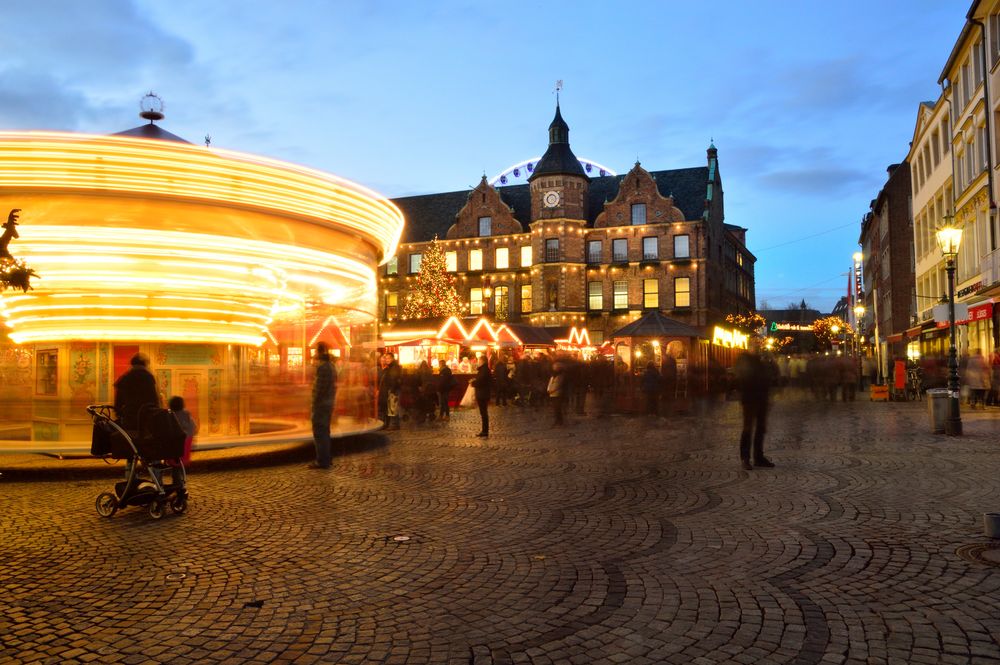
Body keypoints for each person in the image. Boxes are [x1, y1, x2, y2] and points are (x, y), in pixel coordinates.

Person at [733, 349, 777, 471]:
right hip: (749, 398)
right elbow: (744, 377)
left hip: (762, 397)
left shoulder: (761, 359)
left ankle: (759, 457)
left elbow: (773, 374)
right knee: (748, 428)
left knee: (761, 428)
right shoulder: (744, 359)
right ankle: (745, 458)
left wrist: (771, 361)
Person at [308, 342, 337, 469]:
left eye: (315, 350)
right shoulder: (331, 365)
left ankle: (322, 460)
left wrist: (313, 403)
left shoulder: (323, 367)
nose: (314, 353)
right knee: (325, 431)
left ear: (318, 352)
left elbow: (319, 389)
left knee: (320, 432)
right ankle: (327, 458)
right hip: (328, 403)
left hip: (321, 405)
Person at [114, 352, 160, 430]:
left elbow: (118, 401)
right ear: (145, 365)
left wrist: (119, 413)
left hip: (129, 417)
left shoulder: (125, 377)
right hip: (146, 417)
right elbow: (154, 400)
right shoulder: (148, 377)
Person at [167, 395, 197, 493]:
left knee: (175, 469)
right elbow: (193, 427)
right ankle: (180, 485)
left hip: (173, 447)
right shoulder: (187, 415)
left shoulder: (170, 415)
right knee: (179, 468)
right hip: (185, 447)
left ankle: (178, 487)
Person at [379, 353, 402, 430]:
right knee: (390, 407)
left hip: (393, 391)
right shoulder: (390, 367)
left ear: (392, 358)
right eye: (386, 358)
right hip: (390, 390)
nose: (387, 360)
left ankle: (394, 425)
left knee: (393, 407)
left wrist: (392, 389)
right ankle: (389, 424)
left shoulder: (394, 367)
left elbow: (394, 379)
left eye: (388, 358)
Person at [472, 355, 492, 437]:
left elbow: (481, 381)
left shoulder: (484, 370)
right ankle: (484, 431)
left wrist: (473, 383)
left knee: (483, 413)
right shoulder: (484, 370)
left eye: (479, 361)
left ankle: (485, 431)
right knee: (483, 413)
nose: (478, 362)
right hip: (483, 393)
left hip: (483, 394)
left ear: (482, 361)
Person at [548, 361, 566, 425]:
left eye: (554, 366)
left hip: (557, 393)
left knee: (557, 408)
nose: (553, 367)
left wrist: (551, 390)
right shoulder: (554, 374)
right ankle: (557, 420)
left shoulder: (560, 375)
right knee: (555, 408)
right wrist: (549, 389)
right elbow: (551, 382)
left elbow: (558, 384)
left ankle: (559, 421)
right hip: (552, 393)